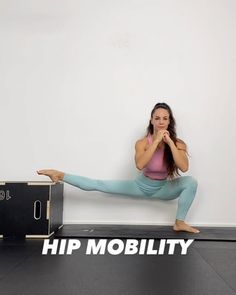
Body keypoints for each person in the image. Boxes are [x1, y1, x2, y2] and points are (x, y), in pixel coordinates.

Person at [37, 102, 200, 233]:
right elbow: (140, 164)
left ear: (170, 121)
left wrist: (170, 142)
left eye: (165, 118)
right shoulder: (142, 143)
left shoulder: (178, 144)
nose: (161, 122)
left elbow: (184, 167)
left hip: (163, 188)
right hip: (140, 186)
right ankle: (60, 175)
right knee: (99, 184)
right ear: (151, 121)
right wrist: (156, 141)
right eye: (157, 118)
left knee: (191, 182)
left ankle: (179, 222)